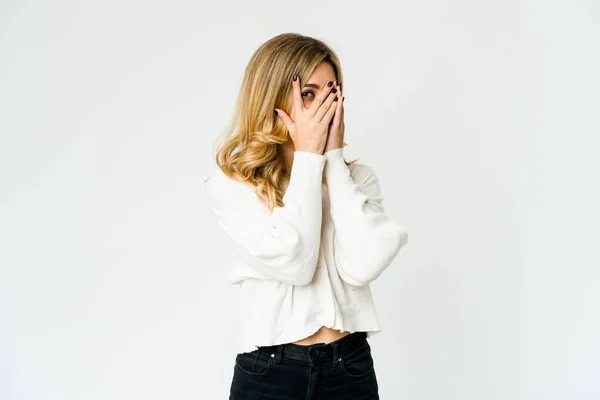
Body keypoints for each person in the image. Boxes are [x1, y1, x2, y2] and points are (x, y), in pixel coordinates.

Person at [204, 33, 409, 400]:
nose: (324, 108)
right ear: (273, 98)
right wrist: (309, 160)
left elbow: (363, 265)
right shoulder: (234, 185)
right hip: (270, 372)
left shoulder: (356, 180)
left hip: (349, 367)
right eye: (309, 94)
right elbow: (294, 263)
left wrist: (330, 161)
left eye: (332, 93)